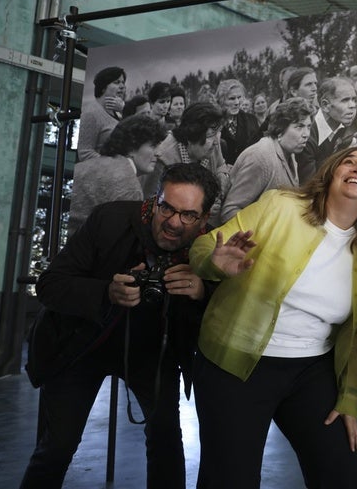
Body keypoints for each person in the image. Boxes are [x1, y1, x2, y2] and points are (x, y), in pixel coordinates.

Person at [189, 147, 357, 489]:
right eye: (349, 161)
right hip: (237, 364)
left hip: (311, 372)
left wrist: (350, 399)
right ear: (331, 173)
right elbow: (203, 247)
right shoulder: (279, 206)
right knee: (230, 480)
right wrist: (215, 263)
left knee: (342, 475)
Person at [21, 163, 221, 489]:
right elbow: (49, 285)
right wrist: (106, 292)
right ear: (154, 198)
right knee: (56, 447)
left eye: (187, 215)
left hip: (155, 353)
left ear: (203, 217)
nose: (172, 222)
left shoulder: (212, 244)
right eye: (166, 207)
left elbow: (227, 312)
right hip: (80, 345)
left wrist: (201, 292)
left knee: (166, 439)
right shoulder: (109, 219)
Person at [68, 114, 167, 234]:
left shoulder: (90, 164)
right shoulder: (129, 187)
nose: (159, 153)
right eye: (153, 146)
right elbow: (117, 243)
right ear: (131, 147)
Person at [220, 97, 313, 222]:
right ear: (280, 130)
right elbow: (229, 211)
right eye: (299, 127)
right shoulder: (261, 156)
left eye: (308, 127)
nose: (306, 134)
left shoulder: (289, 152)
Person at [141, 102, 230, 224]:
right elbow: (150, 205)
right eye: (211, 136)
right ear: (191, 136)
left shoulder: (214, 144)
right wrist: (203, 208)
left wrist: (222, 176)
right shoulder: (163, 159)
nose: (216, 142)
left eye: (218, 133)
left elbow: (220, 165)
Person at [296, 77, 357, 183]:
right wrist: (344, 157)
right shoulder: (306, 136)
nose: (352, 106)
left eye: (354, 100)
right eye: (345, 100)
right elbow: (309, 183)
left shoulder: (340, 125)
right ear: (325, 105)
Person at [77, 66, 126, 162]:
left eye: (123, 82)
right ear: (103, 87)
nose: (122, 86)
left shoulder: (119, 112)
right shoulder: (91, 113)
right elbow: (85, 153)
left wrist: (124, 110)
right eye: (116, 82)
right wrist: (113, 164)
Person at [215, 79, 261, 165]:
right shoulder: (213, 123)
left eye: (239, 97)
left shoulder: (251, 120)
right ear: (221, 101)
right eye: (232, 98)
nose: (237, 102)